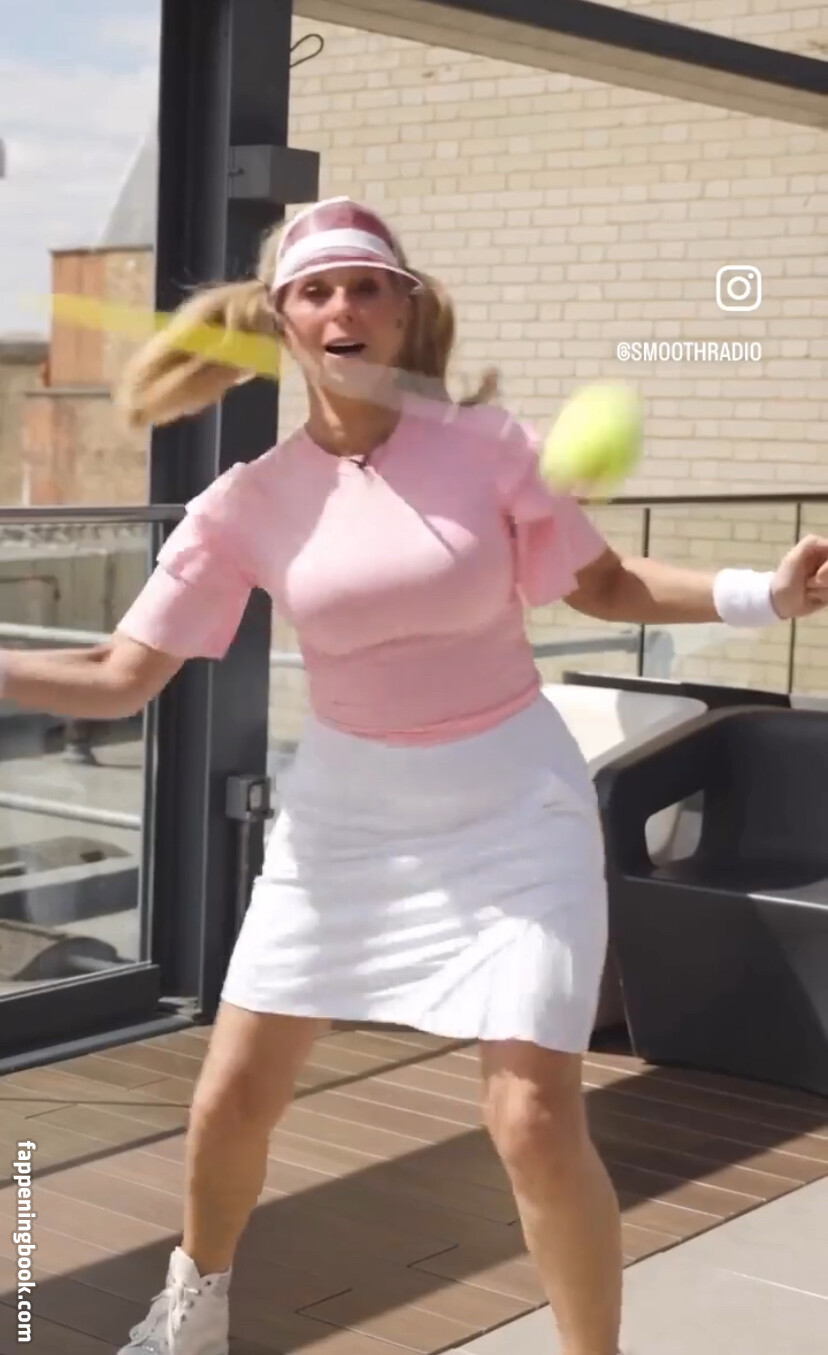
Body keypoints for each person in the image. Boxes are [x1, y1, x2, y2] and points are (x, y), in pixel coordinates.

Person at [2, 197, 827, 1355]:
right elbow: (115, 673)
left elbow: (603, 586)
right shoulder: (247, 500)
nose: (343, 306)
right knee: (231, 1097)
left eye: (367, 286)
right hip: (342, 826)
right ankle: (194, 1304)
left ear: (403, 311)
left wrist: (763, 594)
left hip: (514, 814)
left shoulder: (491, 448)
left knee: (532, 1115)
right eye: (316, 289)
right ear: (282, 322)